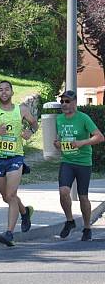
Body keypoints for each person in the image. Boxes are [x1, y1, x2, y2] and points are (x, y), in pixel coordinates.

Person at [0, 80, 38, 246]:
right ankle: (25, 212)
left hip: (15, 157)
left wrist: (30, 131)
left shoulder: (22, 110)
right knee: (6, 196)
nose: (4, 92)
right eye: (0, 90)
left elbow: (34, 123)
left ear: (12, 92)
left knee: (11, 195)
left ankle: (9, 233)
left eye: (7, 89)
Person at [53, 90, 104, 241]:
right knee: (63, 192)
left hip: (83, 162)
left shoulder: (83, 118)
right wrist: (57, 144)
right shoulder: (59, 119)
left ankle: (87, 227)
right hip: (67, 161)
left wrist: (82, 142)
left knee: (83, 197)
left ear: (74, 103)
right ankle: (70, 221)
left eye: (67, 101)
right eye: (62, 102)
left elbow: (99, 137)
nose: (64, 104)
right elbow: (59, 138)